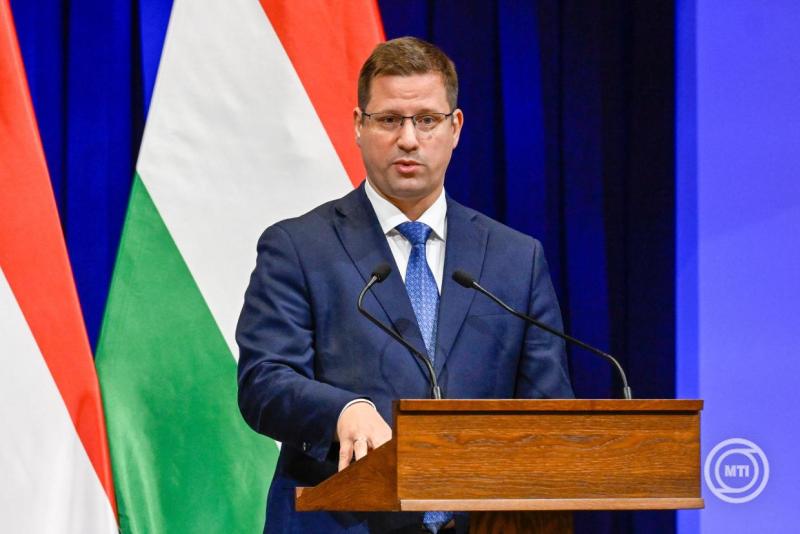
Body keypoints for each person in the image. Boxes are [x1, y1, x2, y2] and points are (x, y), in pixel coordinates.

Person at [236, 36, 574, 534]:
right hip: (343, 519)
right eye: (390, 119)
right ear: (359, 125)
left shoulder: (516, 258)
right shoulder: (298, 247)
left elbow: (548, 412)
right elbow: (264, 382)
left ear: (455, 128)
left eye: (427, 120)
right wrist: (343, 411)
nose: (409, 139)